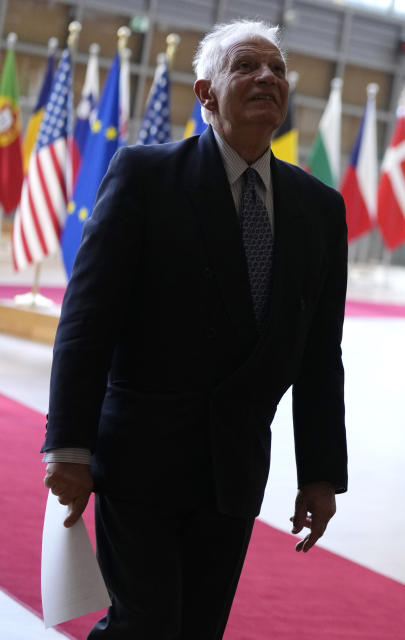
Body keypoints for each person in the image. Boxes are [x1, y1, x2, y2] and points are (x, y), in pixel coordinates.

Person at [41, 19, 348, 638]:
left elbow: (319, 352)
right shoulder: (146, 177)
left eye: (278, 69)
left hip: (234, 467)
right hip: (140, 456)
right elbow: (87, 321)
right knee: (145, 624)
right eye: (246, 66)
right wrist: (69, 446)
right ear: (206, 94)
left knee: (199, 628)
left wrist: (320, 472)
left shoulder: (320, 208)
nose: (268, 77)